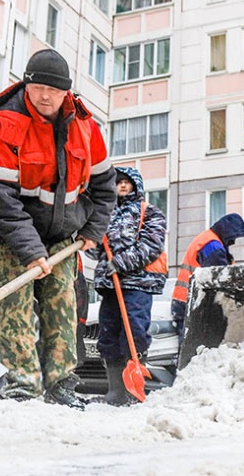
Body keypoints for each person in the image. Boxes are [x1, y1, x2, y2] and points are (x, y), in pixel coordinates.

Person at [0, 49, 117, 408]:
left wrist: (93, 231)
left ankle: (61, 385)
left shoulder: (86, 129)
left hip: (61, 235)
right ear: (26, 85)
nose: (44, 96)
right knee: (16, 308)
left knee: (62, 305)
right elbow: (0, 199)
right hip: (7, 233)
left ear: (66, 92)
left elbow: (105, 189)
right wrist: (31, 251)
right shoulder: (3, 125)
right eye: (37, 87)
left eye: (53, 90)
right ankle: (22, 387)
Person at [86, 167, 167, 405]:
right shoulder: (105, 215)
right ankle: (115, 391)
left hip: (138, 284)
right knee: (108, 335)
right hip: (111, 285)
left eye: (126, 182)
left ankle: (134, 389)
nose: (121, 185)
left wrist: (120, 263)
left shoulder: (149, 212)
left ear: (136, 185)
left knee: (133, 332)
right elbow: (95, 250)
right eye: (117, 182)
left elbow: (152, 245)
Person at [171, 213, 244, 344]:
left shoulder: (208, 240)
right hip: (192, 301)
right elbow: (220, 279)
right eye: (233, 237)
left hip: (185, 299)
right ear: (227, 233)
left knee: (191, 344)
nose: (233, 241)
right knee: (196, 346)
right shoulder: (213, 247)